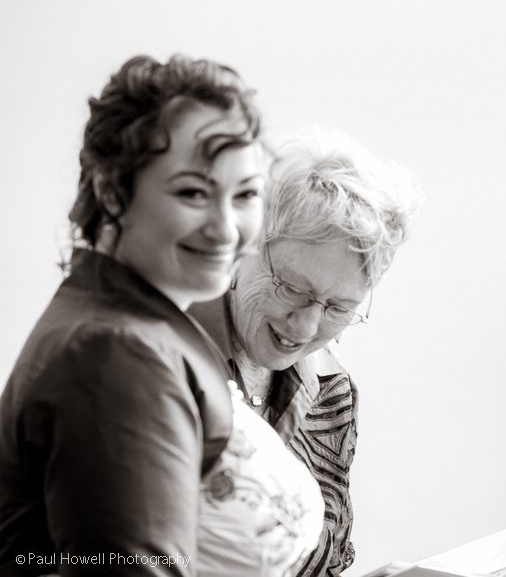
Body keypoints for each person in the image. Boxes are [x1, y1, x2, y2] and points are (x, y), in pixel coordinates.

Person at [0, 54, 321, 577]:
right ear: (112, 191)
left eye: (245, 194)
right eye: (193, 192)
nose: (226, 228)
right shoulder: (114, 354)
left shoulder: (134, 321)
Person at [188, 128, 420, 576]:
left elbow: (327, 562)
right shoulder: (161, 365)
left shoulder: (332, 393)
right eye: (293, 288)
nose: (306, 327)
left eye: (339, 307)